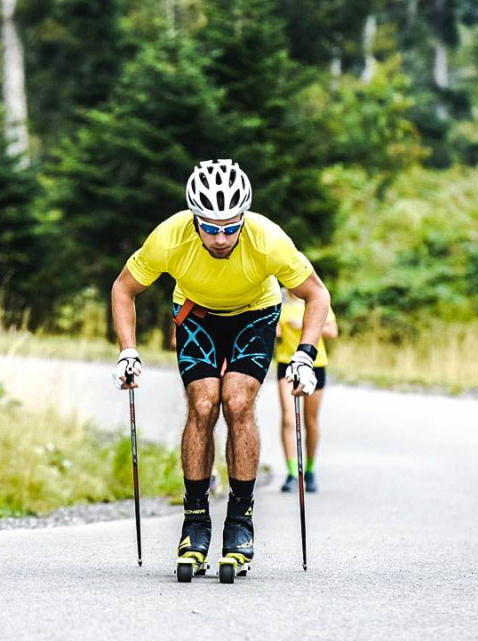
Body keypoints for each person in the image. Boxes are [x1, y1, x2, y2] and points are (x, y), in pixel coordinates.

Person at [111, 159, 331, 576]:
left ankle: (240, 520)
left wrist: (304, 353)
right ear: (194, 219)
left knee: (237, 401)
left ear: (244, 217)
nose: (221, 237)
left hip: (256, 312)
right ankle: (195, 520)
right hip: (197, 314)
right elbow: (124, 287)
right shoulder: (169, 237)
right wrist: (128, 350)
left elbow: (316, 295)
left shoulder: (268, 240)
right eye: (210, 227)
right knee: (203, 403)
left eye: (231, 226)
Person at [274, 288, 338, 493]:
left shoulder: (315, 297)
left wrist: (305, 325)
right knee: (288, 418)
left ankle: (309, 470)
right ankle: (293, 472)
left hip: (314, 363)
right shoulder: (279, 300)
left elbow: (332, 332)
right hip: (286, 363)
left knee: (310, 420)